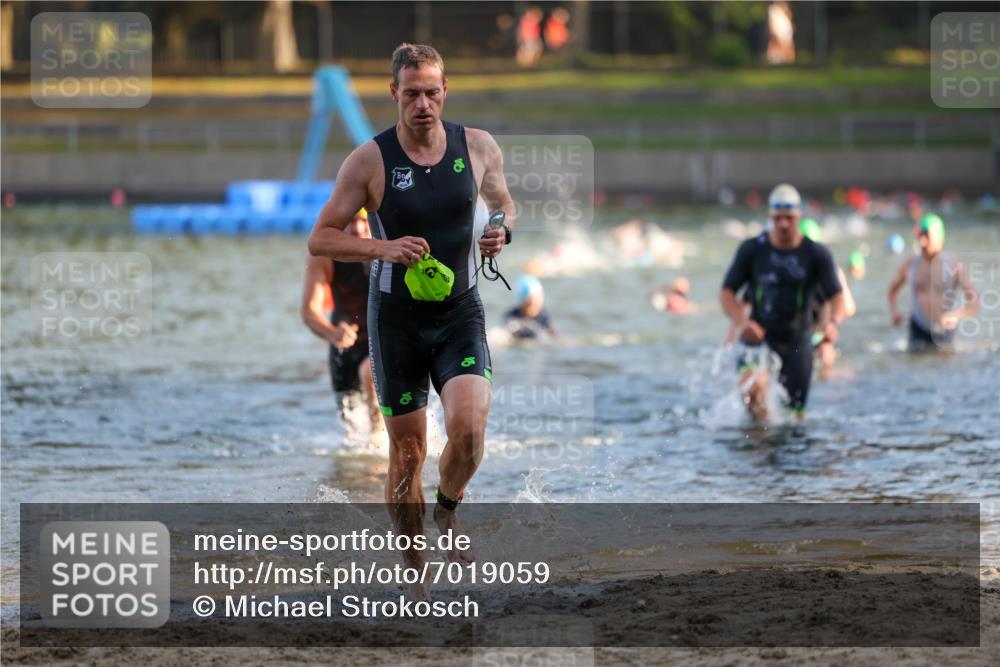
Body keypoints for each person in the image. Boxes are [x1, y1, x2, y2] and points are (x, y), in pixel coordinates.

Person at [308, 44, 515, 599]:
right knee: (407, 455)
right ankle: (414, 565)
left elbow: (503, 204)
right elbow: (320, 237)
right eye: (412, 93)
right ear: (394, 94)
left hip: (460, 313)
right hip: (395, 321)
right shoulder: (368, 161)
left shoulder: (477, 147)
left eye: (432, 92)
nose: (423, 103)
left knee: (470, 433)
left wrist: (499, 229)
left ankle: (447, 511)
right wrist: (383, 247)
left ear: (445, 92)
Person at [719, 184, 846, 422]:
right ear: (770, 217)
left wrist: (835, 324)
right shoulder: (752, 250)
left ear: (798, 217)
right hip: (758, 337)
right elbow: (726, 293)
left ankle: (775, 449)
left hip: (797, 344)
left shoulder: (816, 254)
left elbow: (838, 297)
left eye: (789, 218)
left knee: (792, 423)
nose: (784, 224)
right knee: (752, 391)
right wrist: (741, 322)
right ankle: (758, 445)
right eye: (778, 219)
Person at [301, 208, 380, 432]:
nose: (358, 228)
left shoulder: (390, 245)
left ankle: (381, 444)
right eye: (350, 221)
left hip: (383, 339)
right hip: (344, 345)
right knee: (353, 438)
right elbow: (309, 311)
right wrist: (332, 333)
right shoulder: (324, 254)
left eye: (364, 221)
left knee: (371, 375)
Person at [888, 213, 978, 352]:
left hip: (944, 329)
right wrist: (895, 312)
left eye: (927, 236)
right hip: (918, 328)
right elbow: (892, 291)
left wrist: (956, 315)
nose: (922, 242)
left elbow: (974, 302)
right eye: (920, 236)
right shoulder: (909, 265)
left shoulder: (954, 265)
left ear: (940, 239)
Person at [797, 218, 856, 380]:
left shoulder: (832, 271)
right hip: (799, 328)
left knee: (824, 358)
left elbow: (849, 307)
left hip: (822, 329)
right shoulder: (791, 269)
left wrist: (831, 324)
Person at [501, 275, 556, 339]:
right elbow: (500, 331)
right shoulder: (511, 316)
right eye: (532, 300)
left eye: (539, 298)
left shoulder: (543, 315)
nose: (537, 303)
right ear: (523, 301)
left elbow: (552, 335)